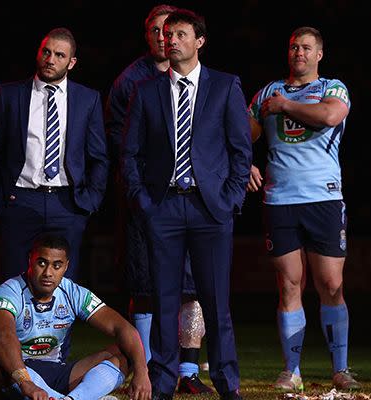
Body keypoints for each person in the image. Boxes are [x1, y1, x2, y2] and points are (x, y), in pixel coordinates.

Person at [122, 9, 251, 400]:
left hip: (210, 208)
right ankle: (162, 383)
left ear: (199, 41)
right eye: (167, 34)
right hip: (164, 208)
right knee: (164, 301)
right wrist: (144, 202)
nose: (170, 40)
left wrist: (229, 199)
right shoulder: (146, 91)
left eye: (180, 34)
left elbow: (240, 151)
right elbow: (130, 154)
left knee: (216, 303)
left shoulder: (226, 86)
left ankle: (228, 384)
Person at [247, 26, 360, 392]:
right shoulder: (266, 91)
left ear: (319, 54)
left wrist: (286, 107)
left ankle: (340, 368)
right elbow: (241, 133)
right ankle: (291, 370)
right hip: (280, 200)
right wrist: (243, 163)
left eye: (306, 47)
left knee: (331, 284)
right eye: (294, 46)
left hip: (323, 197)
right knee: (289, 285)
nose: (299, 52)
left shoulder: (332, 87)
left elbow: (330, 116)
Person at [105, 4, 210, 395]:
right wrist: (140, 190)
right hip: (149, 200)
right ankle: (145, 366)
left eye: (172, 30)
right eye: (156, 30)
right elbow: (118, 139)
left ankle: (188, 368)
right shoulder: (132, 81)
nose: (165, 36)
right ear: (147, 35)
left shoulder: (203, 80)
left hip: (194, 199)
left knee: (192, 284)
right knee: (146, 285)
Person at [0, 27, 108, 283]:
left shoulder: (87, 99)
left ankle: (59, 325)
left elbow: (99, 157)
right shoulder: (10, 94)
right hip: (21, 200)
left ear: (71, 62)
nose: (50, 60)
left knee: (64, 285)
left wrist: (90, 201)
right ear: (38, 53)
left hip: (68, 203)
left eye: (59, 55)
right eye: (46, 52)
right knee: (15, 281)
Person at [0, 233, 152, 400]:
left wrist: (142, 372)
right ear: (30, 260)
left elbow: (122, 327)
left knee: (126, 352)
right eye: (42, 263)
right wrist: (26, 382)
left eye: (56, 265)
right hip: (20, 373)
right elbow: (2, 336)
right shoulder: (9, 292)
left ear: (66, 266)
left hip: (58, 372)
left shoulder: (72, 292)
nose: (48, 272)